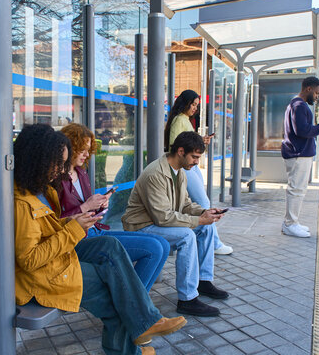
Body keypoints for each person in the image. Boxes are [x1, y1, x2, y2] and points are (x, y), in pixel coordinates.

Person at [13, 124, 186, 355]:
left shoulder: (42, 190)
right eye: (56, 163)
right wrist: (74, 227)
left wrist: (74, 221)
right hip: (44, 276)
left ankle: (145, 323)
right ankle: (139, 332)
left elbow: (49, 229)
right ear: (37, 158)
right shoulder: (23, 203)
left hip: (61, 258)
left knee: (111, 246)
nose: (59, 170)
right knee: (116, 293)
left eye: (63, 163)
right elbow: (29, 259)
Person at [122, 131, 229, 317]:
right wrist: (197, 220)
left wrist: (204, 213)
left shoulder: (179, 171)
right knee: (186, 236)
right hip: (141, 227)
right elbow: (162, 217)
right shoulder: (155, 173)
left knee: (207, 226)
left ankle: (203, 281)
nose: (197, 162)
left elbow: (185, 204)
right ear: (181, 151)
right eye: (194, 157)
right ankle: (187, 299)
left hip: (157, 222)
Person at [56, 123, 170, 292]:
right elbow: (55, 221)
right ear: (70, 148)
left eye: (89, 149)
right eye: (83, 150)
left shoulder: (81, 172)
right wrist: (87, 205)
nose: (87, 154)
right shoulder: (57, 178)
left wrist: (100, 205)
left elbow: (88, 209)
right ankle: (133, 306)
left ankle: (137, 304)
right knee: (153, 248)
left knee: (163, 244)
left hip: (94, 231)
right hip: (77, 239)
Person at [164, 89, 233, 255]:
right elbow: (178, 145)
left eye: (197, 105)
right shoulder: (180, 120)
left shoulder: (184, 120)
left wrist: (200, 141)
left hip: (189, 166)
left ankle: (210, 241)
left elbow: (185, 143)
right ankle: (214, 243)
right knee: (203, 202)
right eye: (193, 104)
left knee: (201, 202)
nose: (195, 108)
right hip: (185, 167)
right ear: (185, 102)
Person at [281, 76, 319, 238]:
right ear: (308, 89)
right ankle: (290, 224)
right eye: (316, 93)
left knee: (298, 189)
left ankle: (292, 222)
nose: (316, 97)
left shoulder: (295, 104)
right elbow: (302, 131)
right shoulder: (299, 106)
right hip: (299, 153)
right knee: (296, 189)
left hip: (299, 153)